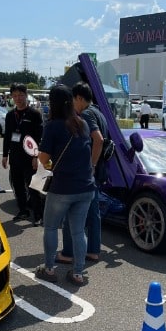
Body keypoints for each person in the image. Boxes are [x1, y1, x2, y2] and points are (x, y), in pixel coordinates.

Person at [34, 84, 95, 286]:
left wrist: (49, 163)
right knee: (78, 231)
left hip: (62, 188)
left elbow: (43, 158)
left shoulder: (53, 126)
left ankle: (49, 268)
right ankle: (78, 273)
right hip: (86, 187)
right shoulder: (83, 123)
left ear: (53, 103)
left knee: (51, 227)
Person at [56, 81, 105, 265]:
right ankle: (93, 250)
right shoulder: (100, 112)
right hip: (99, 170)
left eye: (72, 100)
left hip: (88, 171)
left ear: (78, 98)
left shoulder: (86, 114)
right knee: (93, 212)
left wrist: (91, 164)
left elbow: (98, 140)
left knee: (74, 213)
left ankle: (70, 253)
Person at [2, 83, 44, 222]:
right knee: (18, 186)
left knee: (33, 187)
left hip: (29, 157)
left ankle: (38, 215)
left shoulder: (34, 114)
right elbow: (7, 136)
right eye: (15, 96)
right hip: (15, 156)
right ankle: (23, 211)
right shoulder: (9, 115)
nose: (18, 98)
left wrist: (35, 156)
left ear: (26, 95)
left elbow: (39, 136)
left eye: (20, 95)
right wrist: (4, 155)